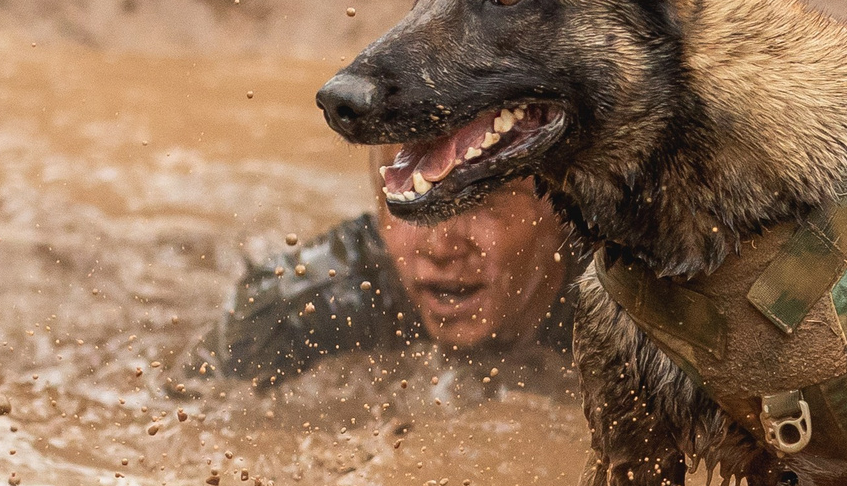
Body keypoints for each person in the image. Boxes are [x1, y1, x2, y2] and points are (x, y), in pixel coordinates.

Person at [178, 158, 575, 394]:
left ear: (566, 206)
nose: (439, 245)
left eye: (479, 199)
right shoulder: (302, 303)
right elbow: (181, 417)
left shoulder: (619, 294)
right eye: (409, 197)